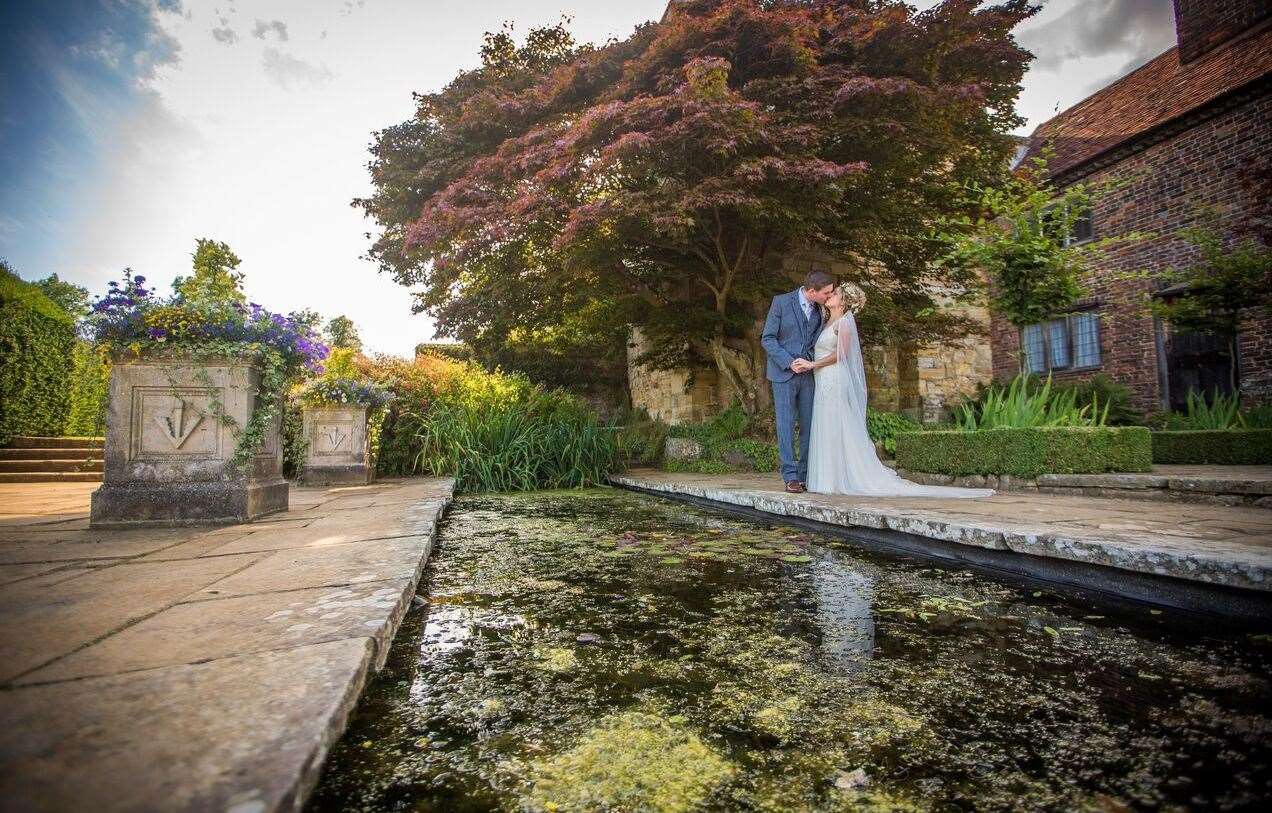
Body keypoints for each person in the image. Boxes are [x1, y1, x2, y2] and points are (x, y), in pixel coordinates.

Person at [805, 282, 993, 498]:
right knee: (827, 423)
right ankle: (827, 478)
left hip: (835, 379)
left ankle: (838, 480)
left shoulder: (845, 324)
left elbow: (842, 355)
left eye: (835, 293)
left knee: (837, 424)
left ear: (844, 301)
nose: (830, 295)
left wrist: (812, 365)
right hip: (824, 380)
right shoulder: (828, 320)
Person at [761, 269, 836, 493]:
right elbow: (768, 338)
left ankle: (804, 475)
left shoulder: (821, 311)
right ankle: (790, 476)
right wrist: (789, 361)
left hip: (808, 376)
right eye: (826, 293)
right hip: (783, 374)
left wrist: (810, 362)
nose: (828, 297)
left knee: (809, 425)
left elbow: (817, 343)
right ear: (812, 291)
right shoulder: (781, 303)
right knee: (785, 426)